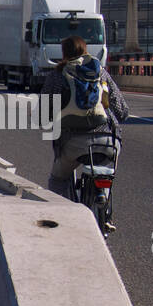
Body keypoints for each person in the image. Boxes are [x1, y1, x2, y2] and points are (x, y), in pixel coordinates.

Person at [42, 34, 128, 229]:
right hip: (108, 140)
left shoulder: (57, 75)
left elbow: (44, 111)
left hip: (73, 141)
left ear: (64, 53)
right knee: (106, 172)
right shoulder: (101, 73)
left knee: (58, 179)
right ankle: (103, 209)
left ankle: (61, 219)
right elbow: (122, 110)